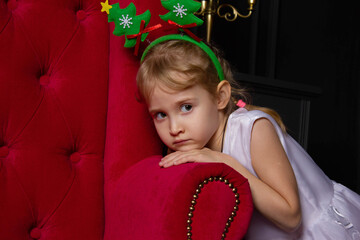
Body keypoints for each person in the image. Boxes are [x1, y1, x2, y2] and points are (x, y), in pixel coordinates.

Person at [136, 33, 360, 239]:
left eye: (186, 107)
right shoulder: (194, 146)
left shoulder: (253, 129)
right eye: (161, 114)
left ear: (220, 97)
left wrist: (225, 163)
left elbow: (291, 218)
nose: (174, 128)